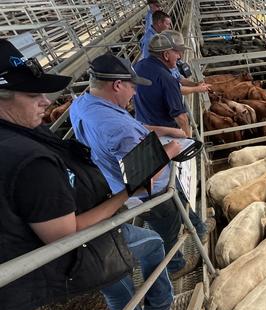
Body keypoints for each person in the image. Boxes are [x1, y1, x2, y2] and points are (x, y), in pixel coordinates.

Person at [0, 40, 173, 310]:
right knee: (153, 244)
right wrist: (127, 192)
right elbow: (68, 234)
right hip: (78, 249)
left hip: (73, 222)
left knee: (115, 286)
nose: (45, 101)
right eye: (32, 94)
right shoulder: (28, 161)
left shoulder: (26, 128)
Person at [70, 53, 209, 280]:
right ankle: (175, 265)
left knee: (180, 201)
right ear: (117, 85)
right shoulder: (119, 129)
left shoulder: (83, 104)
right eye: (132, 87)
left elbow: (131, 127)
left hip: (111, 178)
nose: (135, 92)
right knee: (167, 226)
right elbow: (144, 179)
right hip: (148, 194)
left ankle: (199, 229)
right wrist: (171, 150)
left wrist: (163, 130)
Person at [134, 30, 193, 136]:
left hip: (142, 129)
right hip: (165, 134)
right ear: (166, 55)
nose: (180, 57)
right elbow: (180, 117)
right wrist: (189, 138)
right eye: (177, 52)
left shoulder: (138, 67)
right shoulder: (167, 79)